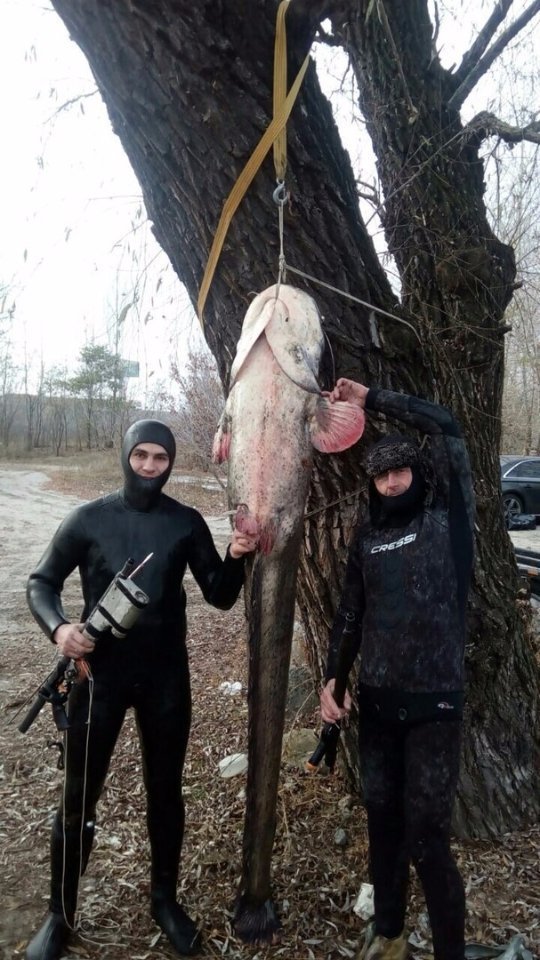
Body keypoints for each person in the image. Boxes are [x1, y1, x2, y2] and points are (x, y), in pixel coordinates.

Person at [24, 419, 256, 960]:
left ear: (171, 462)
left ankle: (164, 900)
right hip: (96, 679)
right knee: (78, 795)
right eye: (141, 456)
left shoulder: (185, 523)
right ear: (126, 455)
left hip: (165, 679)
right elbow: (41, 581)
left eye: (160, 458)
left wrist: (238, 554)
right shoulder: (88, 519)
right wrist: (60, 628)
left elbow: (220, 595)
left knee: (165, 794)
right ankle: (60, 913)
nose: (150, 467)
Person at [320, 380, 475, 960]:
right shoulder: (367, 536)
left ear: (416, 473)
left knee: (427, 835)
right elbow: (350, 614)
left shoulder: (449, 525)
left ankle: (450, 952)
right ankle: (387, 931)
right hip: (378, 704)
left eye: (400, 471)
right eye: (381, 475)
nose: (390, 482)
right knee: (381, 818)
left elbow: (447, 425)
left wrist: (372, 399)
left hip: (435, 705)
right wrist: (334, 678)